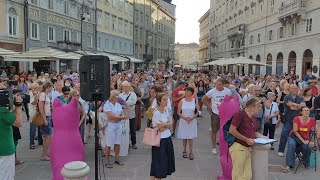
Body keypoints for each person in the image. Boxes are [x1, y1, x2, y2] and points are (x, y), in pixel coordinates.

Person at [229, 97, 268, 180]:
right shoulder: (240, 114)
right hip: (239, 147)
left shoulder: (253, 117)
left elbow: (254, 132)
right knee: (237, 174)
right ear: (252, 107)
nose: (259, 110)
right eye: (258, 108)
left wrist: (264, 137)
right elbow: (232, 130)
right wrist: (246, 139)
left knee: (247, 175)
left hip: (248, 148)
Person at [283, 106, 318, 173]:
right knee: (291, 144)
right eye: (305, 110)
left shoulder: (312, 120)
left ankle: (305, 161)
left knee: (307, 147)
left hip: (305, 138)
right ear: (301, 112)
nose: (307, 112)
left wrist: (314, 143)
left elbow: (314, 132)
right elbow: (295, 131)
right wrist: (303, 141)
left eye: (308, 110)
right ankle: (289, 164)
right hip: (294, 137)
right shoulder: (296, 119)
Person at [202, 78, 232, 155]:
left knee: (225, 130)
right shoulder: (212, 91)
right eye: (216, 84)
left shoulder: (228, 91)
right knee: (214, 131)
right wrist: (209, 107)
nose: (218, 86)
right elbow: (204, 99)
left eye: (220, 84)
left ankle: (225, 146)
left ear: (223, 84)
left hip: (225, 114)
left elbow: (231, 99)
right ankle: (214, 147)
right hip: (216, 113)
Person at [150, 93, 175, 180]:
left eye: (167, 100)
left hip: (167, 139)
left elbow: (171, 124)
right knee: (159, 163)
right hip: (159, 140)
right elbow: (160, 129)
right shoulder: (156, 113)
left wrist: (165, 124)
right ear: (159, 101)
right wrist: (166, 124)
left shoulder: (166, 110)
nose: (166, 101)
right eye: (164, 100)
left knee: (164, 163)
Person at [278, 84, 306, 157]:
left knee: (298, 136)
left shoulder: (300, 97)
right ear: (290, 89)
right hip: (288, 119)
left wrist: (294, 104)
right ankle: (281, 150)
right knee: (284, 134)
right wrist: (298, 106)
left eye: (296, 88)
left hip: (298, 121)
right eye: (293, 88)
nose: (295, 89)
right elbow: (292, 108)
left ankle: (298, 152)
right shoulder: (287, 97)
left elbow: (303, 105)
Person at [0, 94, 23, 179]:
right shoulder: (2, 111)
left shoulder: (4, 113)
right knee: (6, 176)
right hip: (4, 150)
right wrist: (18, 106)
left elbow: (10, 118)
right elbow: (18, 123)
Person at [103, 90, 127, 168]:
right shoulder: (107, 104)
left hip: (118, 125)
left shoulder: (118, 104)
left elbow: (123, 114)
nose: (119, 97)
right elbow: (110, 117)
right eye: (117, 96)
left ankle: (117, 158)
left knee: (117, 143)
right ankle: (107, 160)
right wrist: (120, 117)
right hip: (110, 126)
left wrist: (118, 118)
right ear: (113, 97)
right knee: (109, 143)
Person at [177, 87, 199, 160]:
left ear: (191, 92)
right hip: (184, 121)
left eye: (188, 91)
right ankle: (184, 151)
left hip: (192, 121)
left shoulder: (194, 101)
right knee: (184, 137)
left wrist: (192, 118)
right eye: (185, 91)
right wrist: (185, 118)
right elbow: (178, 112)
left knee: (190, 137)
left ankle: (191, 152)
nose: (186, 92)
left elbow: (197, 112)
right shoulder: (182, 101)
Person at [119, 81, 138, 149]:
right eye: (124, 86)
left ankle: (134, 143)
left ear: (129, 87)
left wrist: (124, 103)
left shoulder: (133, 94)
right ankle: (126, 143)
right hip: (123, 114)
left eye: (126, 86)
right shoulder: (120, 95)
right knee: (124, 130)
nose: (125, 88)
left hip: (131, 114)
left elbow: (133, 102)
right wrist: (126, 104)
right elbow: (119, 104)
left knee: (132, 129)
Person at [38, 82, 53, 161]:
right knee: (48, 136)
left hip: (48, 116)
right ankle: (44, 155)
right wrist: (44, 119)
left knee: (46, 136)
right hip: (46, 117)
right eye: (51, 87)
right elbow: (41, 107)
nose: (51, 89)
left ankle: (46, 152)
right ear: (48, 87)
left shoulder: (45, 95)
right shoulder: (43, 94)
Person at [29, 82, 43, 149]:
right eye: (33, 88)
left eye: (36, 88)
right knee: (33, 129)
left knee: (40, 128)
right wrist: (36, 96)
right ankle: (31, 143)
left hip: (39, 112)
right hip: (33, 113)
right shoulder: (30, 94)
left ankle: (40, 141)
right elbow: (34, 103)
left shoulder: (40, 94)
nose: (34, 89)